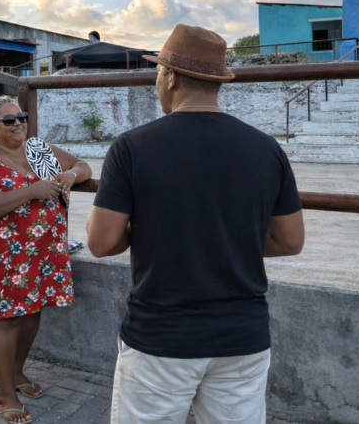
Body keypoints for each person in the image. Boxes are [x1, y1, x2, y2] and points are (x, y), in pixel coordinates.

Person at [86, 24, 306, 424]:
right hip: (243, 336)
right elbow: (289, 241)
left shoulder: (132, 147)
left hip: (162, 336)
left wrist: (161, 232)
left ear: (169, 77)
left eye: (158, 73)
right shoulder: (266, 148)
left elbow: (102, 242)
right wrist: (226, 238)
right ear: (216, 82)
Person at [0, 96, 92, 423]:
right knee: (6, 319)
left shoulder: (38, 150)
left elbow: (83, 166)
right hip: (4, 255)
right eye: (9, 120)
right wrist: (31, 191)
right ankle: (5, 394)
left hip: (41, 251)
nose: (18, 123)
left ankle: (17, 373)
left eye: (21, 117)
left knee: (32, 312)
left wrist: (71, 176)